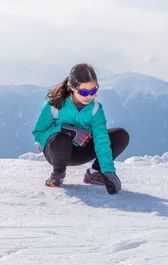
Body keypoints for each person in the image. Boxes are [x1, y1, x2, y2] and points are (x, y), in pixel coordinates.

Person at [32, 63, 129, 194]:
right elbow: (38, 134)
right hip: (57, 151)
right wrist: (63, 129)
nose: (89, 96)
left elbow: (101, 139)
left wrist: (108, 170)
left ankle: (95, 173)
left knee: (121, 135)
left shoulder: (95, 109)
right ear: (72, 87)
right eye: (83, 92)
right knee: (60, 138)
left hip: (82, 149)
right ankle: (58, 174)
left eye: (93, 91)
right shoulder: (53, 105)